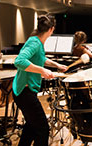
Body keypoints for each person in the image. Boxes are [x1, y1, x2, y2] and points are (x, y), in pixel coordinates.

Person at [12, 15, 67, 146]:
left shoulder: (37, 41)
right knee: (43, 129)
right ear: (51, 29)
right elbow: (19, 61)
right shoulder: (35, 42)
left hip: (24, 92)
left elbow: (40, 58)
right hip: (24, 92)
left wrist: (57, 65)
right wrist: (42, 71)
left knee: (31, 126)